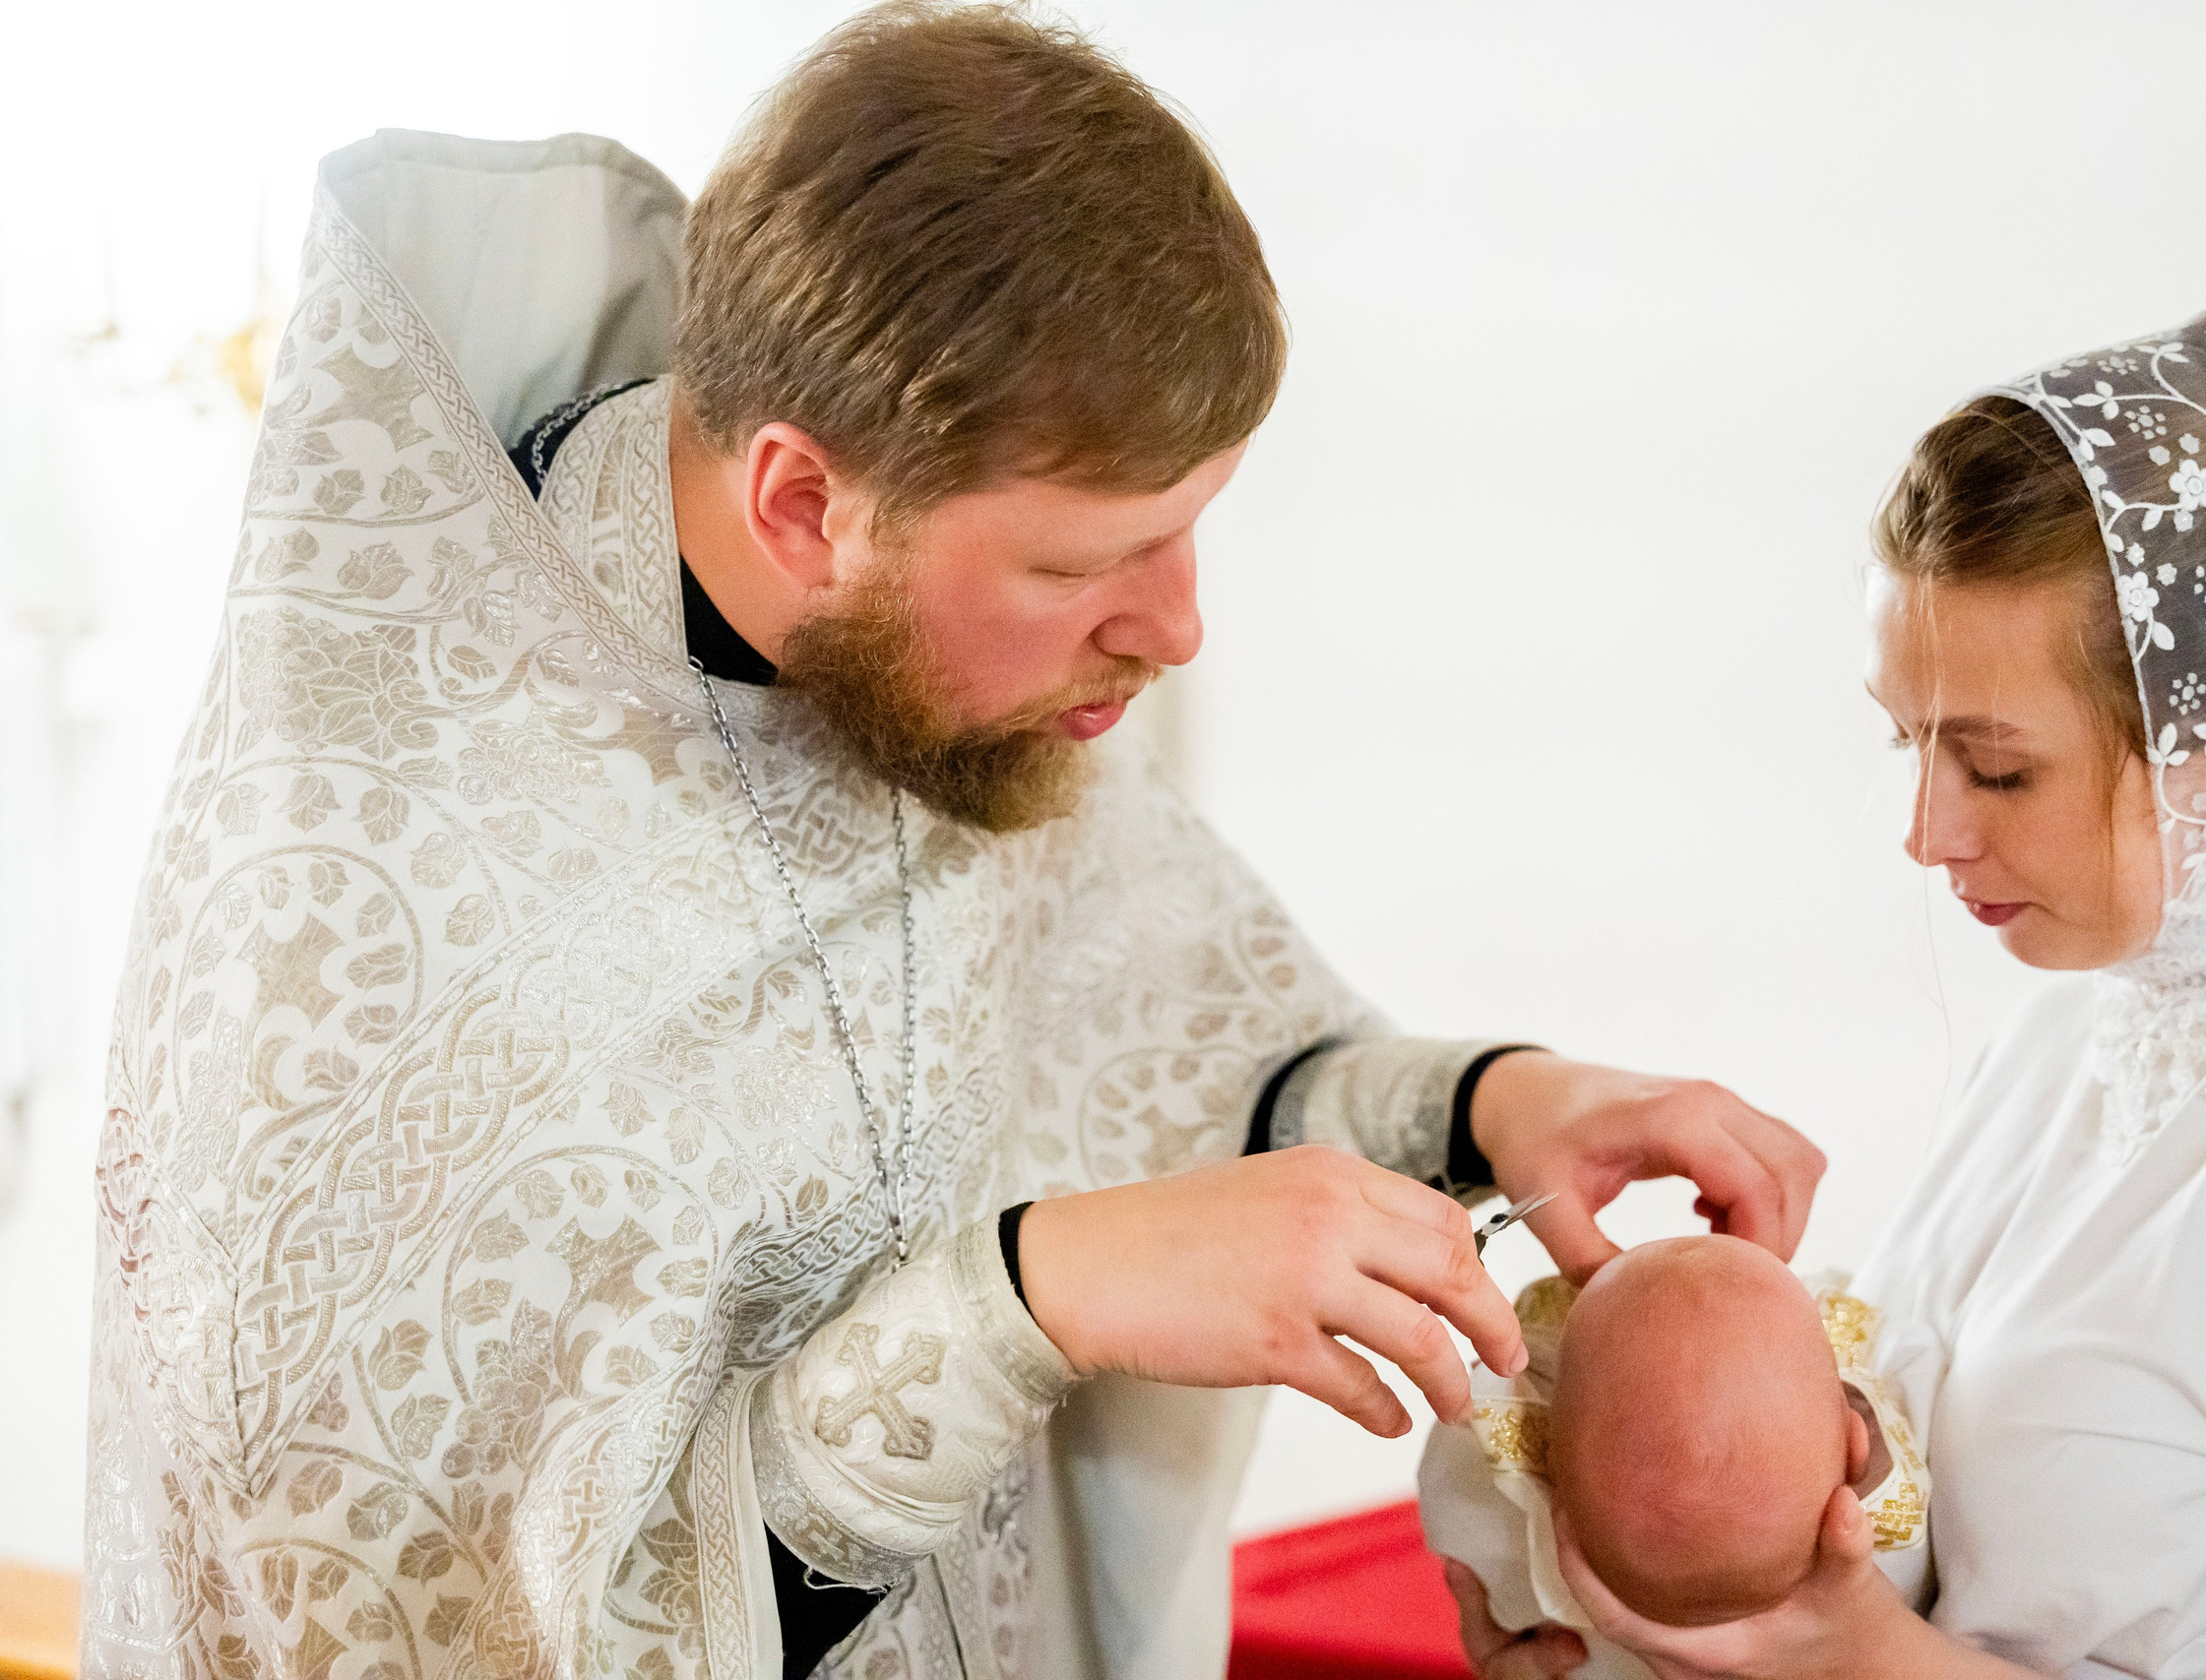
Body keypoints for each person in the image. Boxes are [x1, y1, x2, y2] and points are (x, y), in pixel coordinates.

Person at [80, 8, 1826, 1680]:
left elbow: (1145, 1023)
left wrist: (1496, 1104)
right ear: (801, 504)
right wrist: (1026, 1298)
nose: (1179, 628)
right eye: (1084, 566)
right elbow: (485, 1634)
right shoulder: (354, 925)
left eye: (1195, 531)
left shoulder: (917, 665)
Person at [1449, 299, 2206, 1680]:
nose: (1928, 832)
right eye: (1910, 743)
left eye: (1998, 767)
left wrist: (1852, 1656)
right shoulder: (2111, 985)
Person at [1423, 1242, 1932, 1680]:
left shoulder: (1495, 1523)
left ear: (1545, 1455)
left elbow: (1457, 1481)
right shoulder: (1893, 1572)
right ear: (1856, 1442)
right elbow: (1914, 1351)